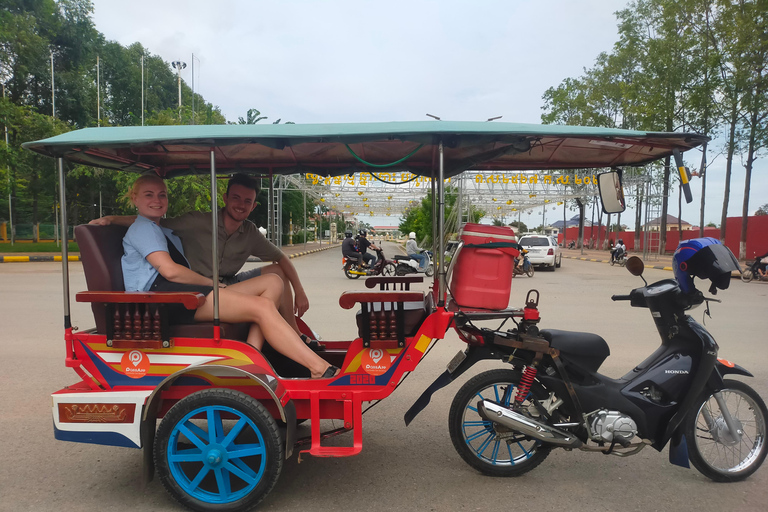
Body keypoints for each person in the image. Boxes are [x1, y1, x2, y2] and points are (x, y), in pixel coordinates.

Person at [120, 174, 338, 378]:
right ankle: (317, 368)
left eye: (162, 195)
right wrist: (213, 284)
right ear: (134, 198)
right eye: (149, 195)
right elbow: (170, 271)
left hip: (179, 296)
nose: (157, 200)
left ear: (253, 206)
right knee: (262, 307)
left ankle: (253, 353)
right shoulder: (144, 229)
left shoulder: (157, 228)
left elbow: (161, 230)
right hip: (163, 302)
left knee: (273, 280)